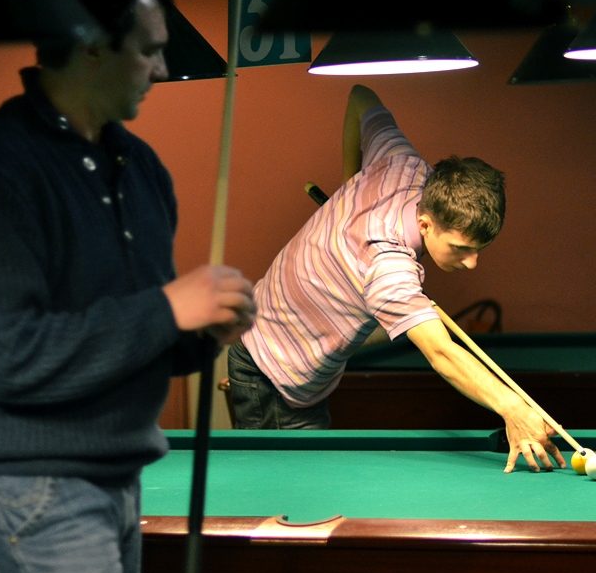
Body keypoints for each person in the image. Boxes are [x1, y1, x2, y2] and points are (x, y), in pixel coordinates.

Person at [0, 0, 254, 573]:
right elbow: (11, 359)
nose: (163, 69)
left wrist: (205, 331)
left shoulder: (139, 167)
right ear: (92, 48)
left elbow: (146, 334)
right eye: (150, 49)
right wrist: (167, 310)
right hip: (29, 483)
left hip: (116, 476)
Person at [229, 84, 562, 474]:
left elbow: (361, 98)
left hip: (284, 346)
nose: (472, 263)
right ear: (426, 223)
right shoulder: (387, 264)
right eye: (461, 248)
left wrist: (348, 181)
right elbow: (441, 353)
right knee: (294, 495)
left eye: (479, 249)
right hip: (273, 372)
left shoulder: (402, 164)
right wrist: (512, 407)